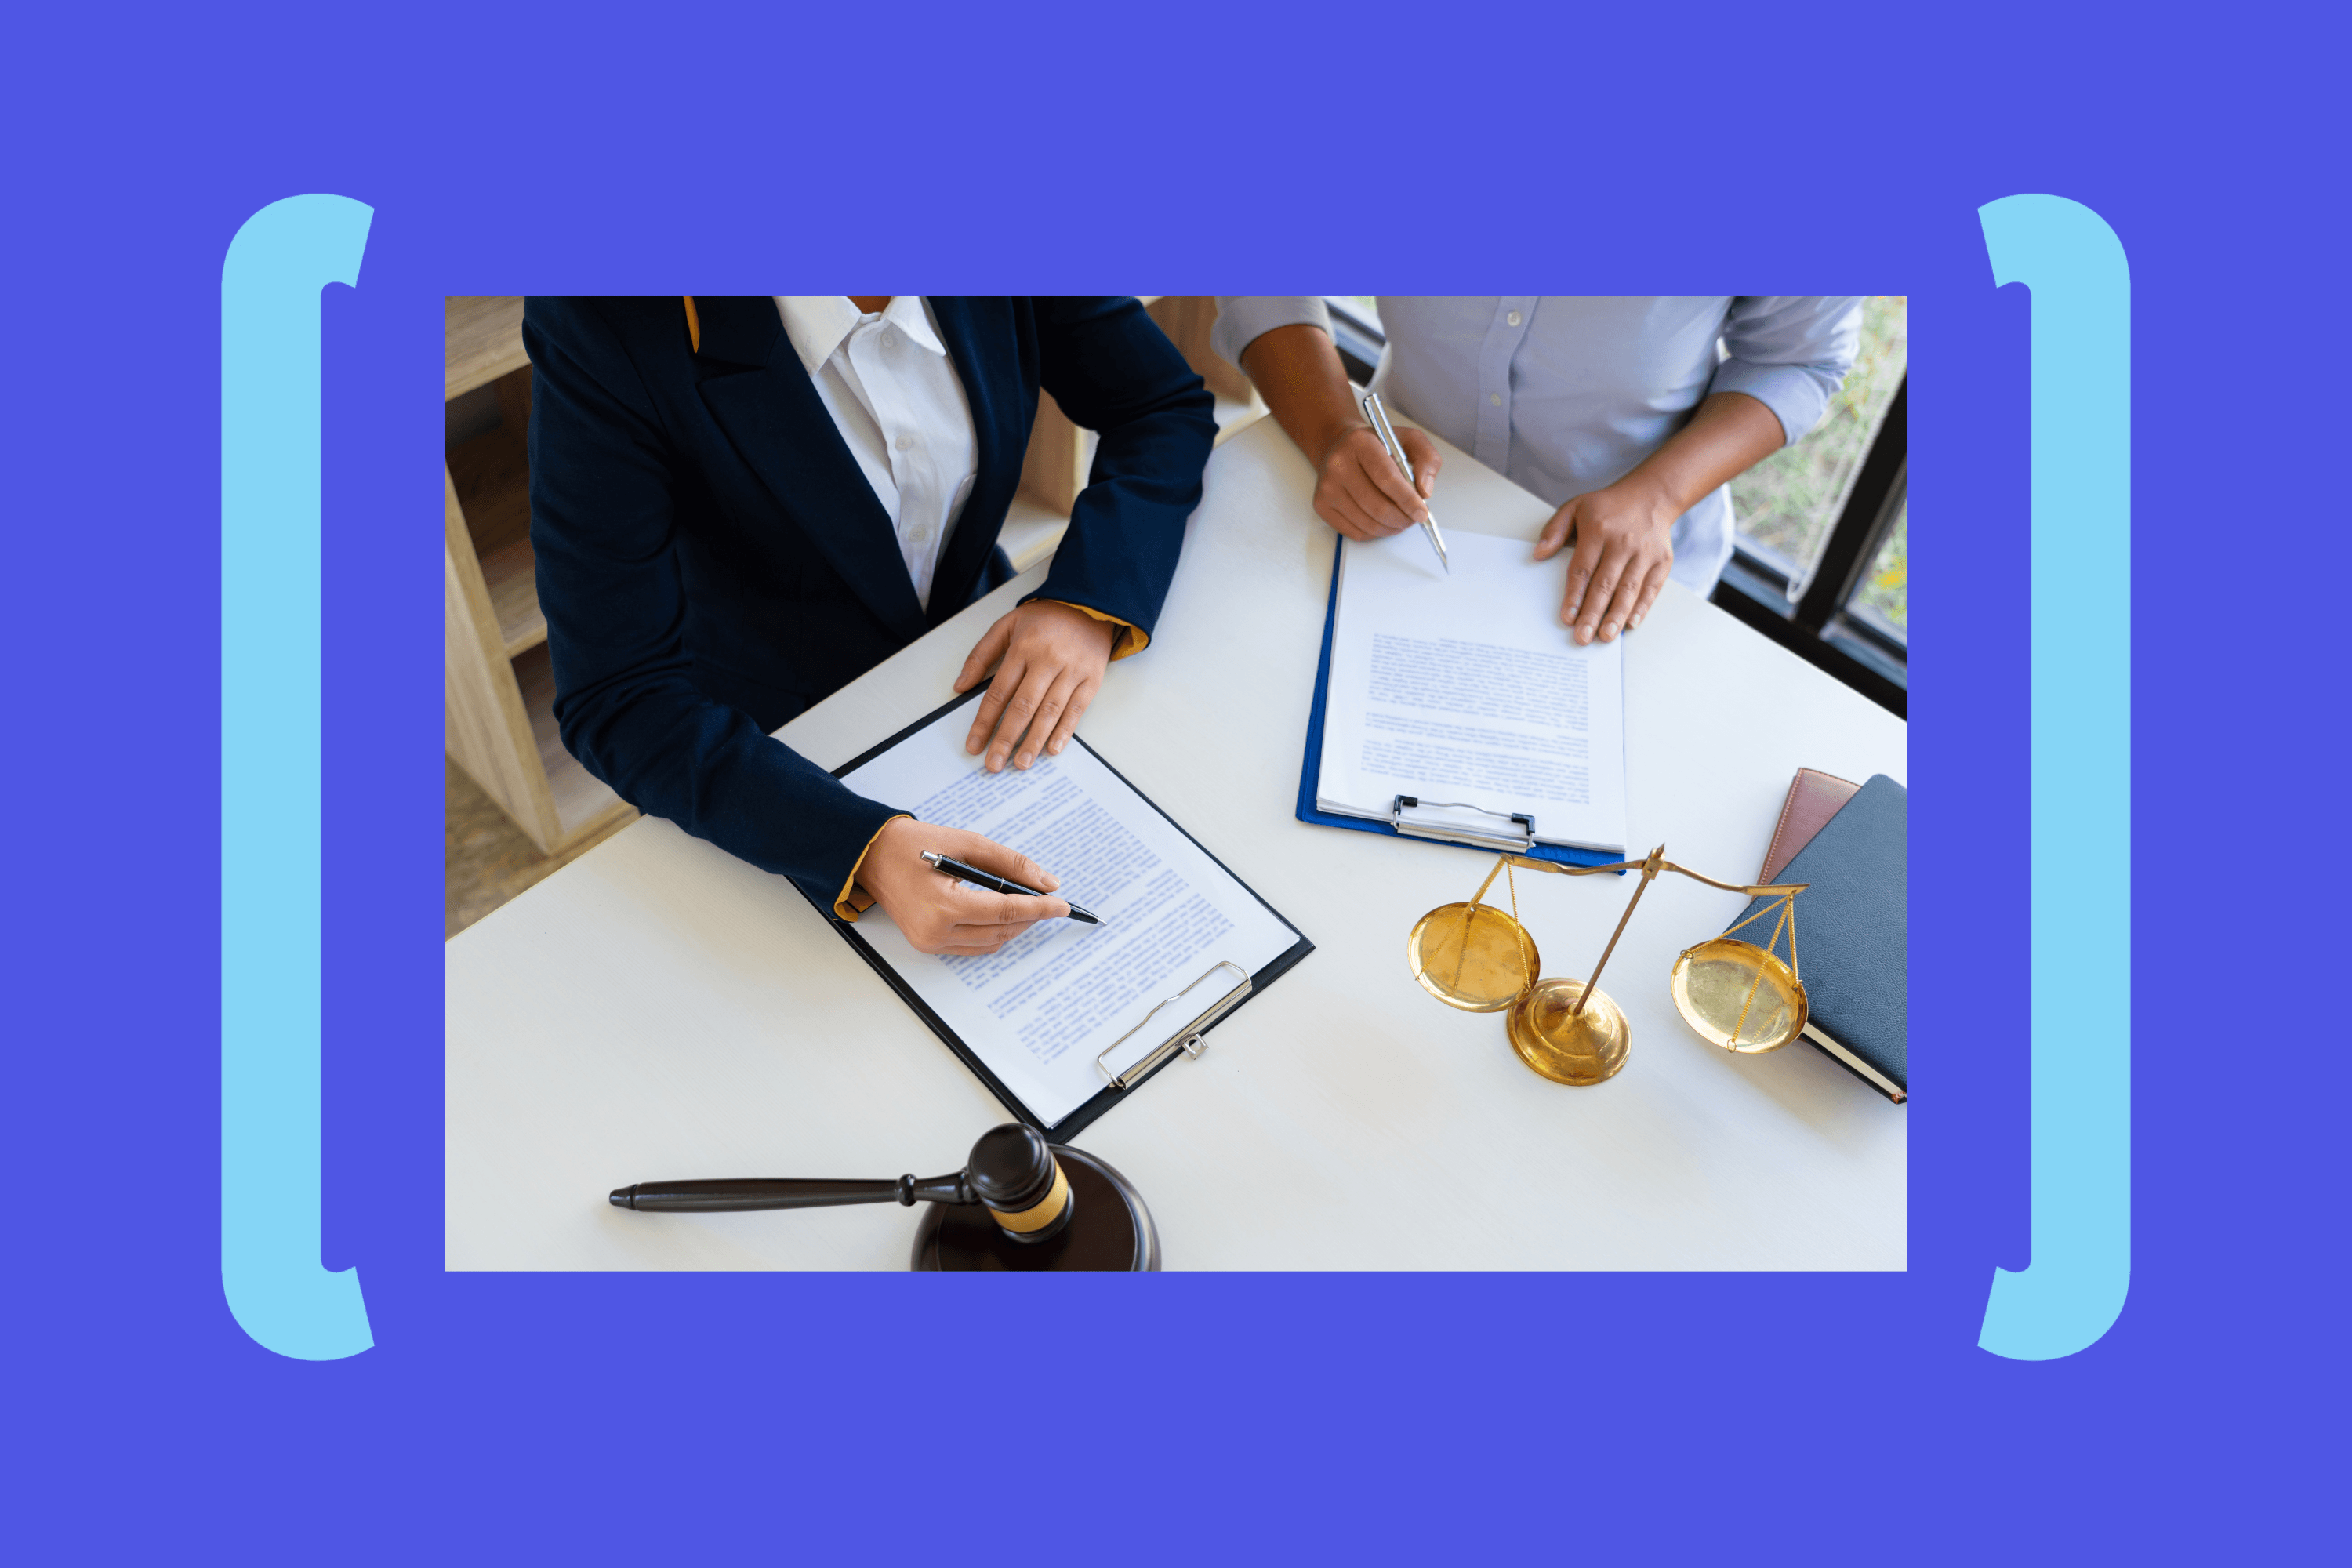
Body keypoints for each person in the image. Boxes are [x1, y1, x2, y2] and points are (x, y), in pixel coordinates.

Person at [525, 296, 1216, 956]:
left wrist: (1085, 601)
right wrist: (862, 848)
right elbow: (616, 697)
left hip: (978, 667)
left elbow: (1159, 407)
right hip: (772, 755)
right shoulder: (601, 314)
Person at [1212, 296, 1863, 645]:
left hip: (1617, 568)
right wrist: (1331, 427)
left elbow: (1798, 361)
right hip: (1384, 508)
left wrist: (1658, 496)